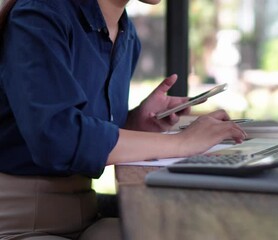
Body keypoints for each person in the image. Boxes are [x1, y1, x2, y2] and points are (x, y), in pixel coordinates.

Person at [0, 0, 247, 239]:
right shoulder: (39, 15)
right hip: (19, 224)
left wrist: (136, 123)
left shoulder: (126, 35)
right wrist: (184, 142)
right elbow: (56, 139)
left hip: (83, 214)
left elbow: (83, 133)